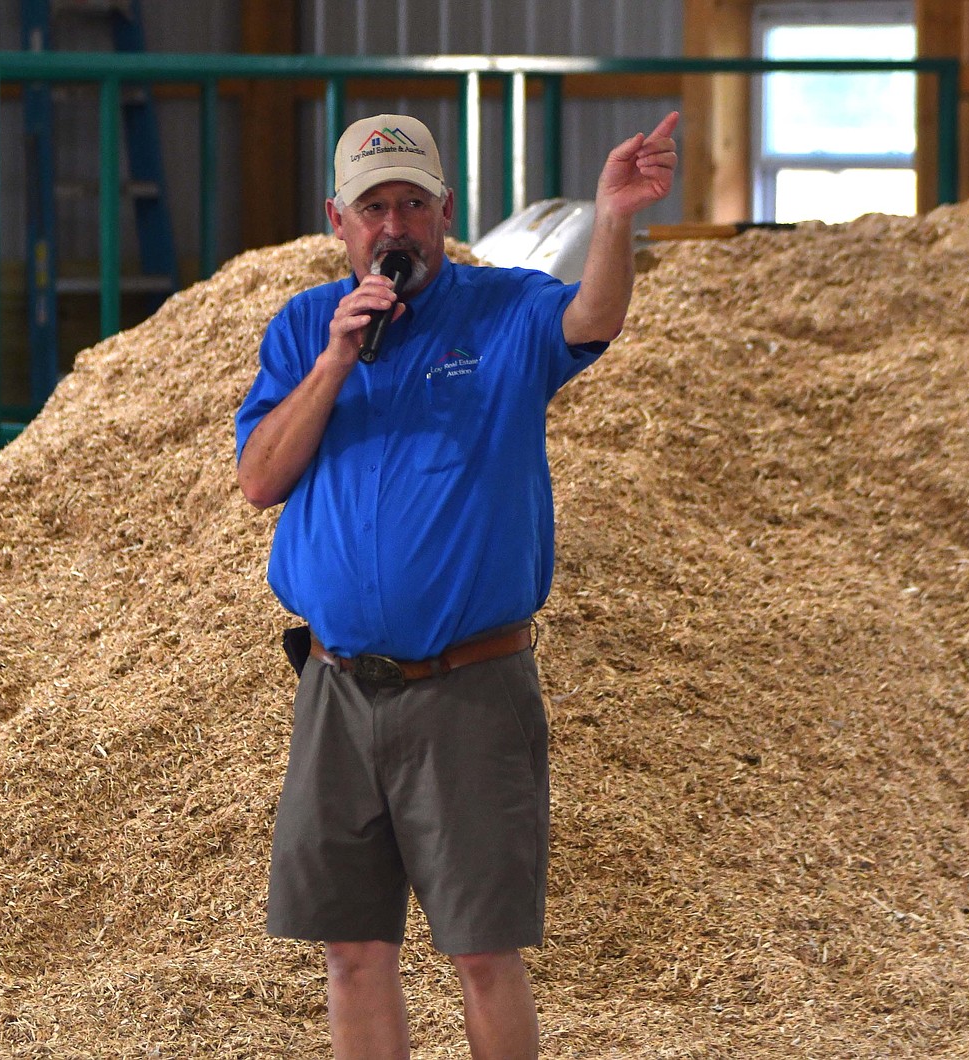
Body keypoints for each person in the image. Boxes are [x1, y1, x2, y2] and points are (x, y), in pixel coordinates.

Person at [235, 110, 678, 1059]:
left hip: (468, 690)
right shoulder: (307, 327)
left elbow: (592, 317)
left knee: (483, 952)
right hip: (338, 689)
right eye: (372, 209)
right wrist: (336, 361)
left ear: (445, 211)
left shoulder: (503, 310)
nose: (392, 227)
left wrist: (612, 220)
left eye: (410, 204)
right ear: (338, 223)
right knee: (352, 950)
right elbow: (261, 478)